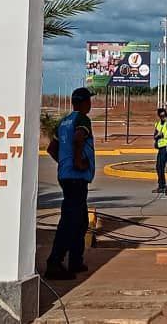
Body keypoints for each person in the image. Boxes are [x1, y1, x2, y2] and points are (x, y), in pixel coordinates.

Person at [44, 87, 96, 280]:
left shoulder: (64, 121)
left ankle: (75, 260)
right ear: (83, 103)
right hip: (76, 177)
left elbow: (51, 148)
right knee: (70, 221)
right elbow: (78, 138)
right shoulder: (82, 119)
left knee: (81, 220)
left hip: (65, 175)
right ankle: (54, 263)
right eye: (89, 101)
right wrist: (77, 161)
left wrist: (64, 163)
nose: (90, 104)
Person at [153, 107, 167, 194]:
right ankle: (161, 185)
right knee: (159, 167)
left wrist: (162, 134)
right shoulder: (158, 124)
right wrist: (158, 136)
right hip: (160, 147)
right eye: (161, 116)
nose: (163, 117)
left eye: (164, 115)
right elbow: (154, 136)